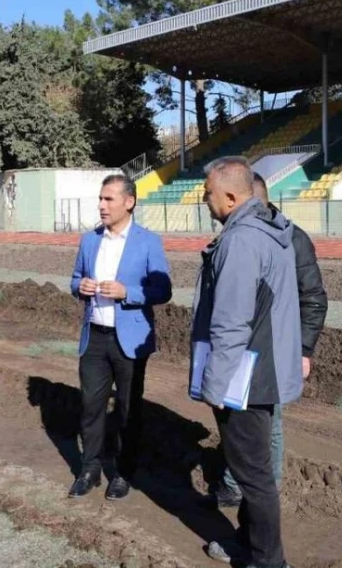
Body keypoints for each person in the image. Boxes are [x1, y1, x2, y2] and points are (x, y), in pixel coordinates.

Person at [191, 157, 302, 568]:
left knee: (253, 478)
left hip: (245, 379)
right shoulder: (269, 231)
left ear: (232, 197)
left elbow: (231, 321)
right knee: (255, 472)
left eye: (208, 194)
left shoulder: (240, 241)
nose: (205, 200)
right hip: (264, 371)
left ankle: (268, 561)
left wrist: (215, 386)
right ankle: (248, 544)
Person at [209, 173, 328, 510]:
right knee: (240, 421)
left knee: (269, 424)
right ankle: (241, 481)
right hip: (245, 345)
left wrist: (303, 349)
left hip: (274, 349)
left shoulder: (292, 239)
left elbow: (314, 297)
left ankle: (258, 492)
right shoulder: (241, 237)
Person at [68, 174, 172, 500]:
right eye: (100, 199)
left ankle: (123, 473)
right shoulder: (89, 241)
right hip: (94, 337)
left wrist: (128, 292)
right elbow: (74, 280)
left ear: (129, 202)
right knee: (91, 406)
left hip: (129, 339)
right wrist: (80, 287)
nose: (101, 205)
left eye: (108, 199)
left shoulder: (148, 241)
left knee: (128, 409)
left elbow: (163, 289)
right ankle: (89, 469)